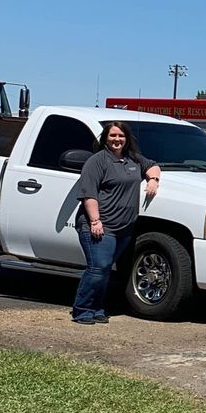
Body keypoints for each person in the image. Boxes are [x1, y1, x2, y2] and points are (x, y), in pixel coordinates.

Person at [72, 121, 161, 324]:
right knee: (98, 267)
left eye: (121, 136)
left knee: (104, 270)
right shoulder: (97, 161)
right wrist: (95, 221)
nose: (117, 140)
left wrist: (153, 180)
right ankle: (82, 309)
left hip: (124, 228)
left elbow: (153, 165)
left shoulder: (133, 159)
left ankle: (96, 308)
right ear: (105, 138)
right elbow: (89, 195)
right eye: (112, 136)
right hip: (100, 225)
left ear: (127, 138)